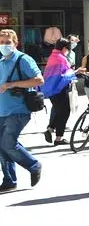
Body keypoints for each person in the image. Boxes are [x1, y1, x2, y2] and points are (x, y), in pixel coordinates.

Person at [0, 29, 43, 192]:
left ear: (15, 43)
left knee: (8, 143)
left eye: (7, 42)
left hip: (19, 110)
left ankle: (34, 165)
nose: (4, 45)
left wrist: (12, 84)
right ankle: (9, 179)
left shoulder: (23, 59)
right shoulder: (1, 61)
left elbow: (39, 79)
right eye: (1, 42)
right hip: (2, 110)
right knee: (2, 146)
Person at [41, 39, 76, 146]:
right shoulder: (61, 58)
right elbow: (65, 75)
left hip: (52, 90)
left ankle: (51, 129)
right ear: (64, 48)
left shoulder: (53, 57)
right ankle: (58, 138)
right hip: (59, 89)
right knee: (65, 112)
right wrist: (76, 72)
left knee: (59, 111)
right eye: (68, 49)